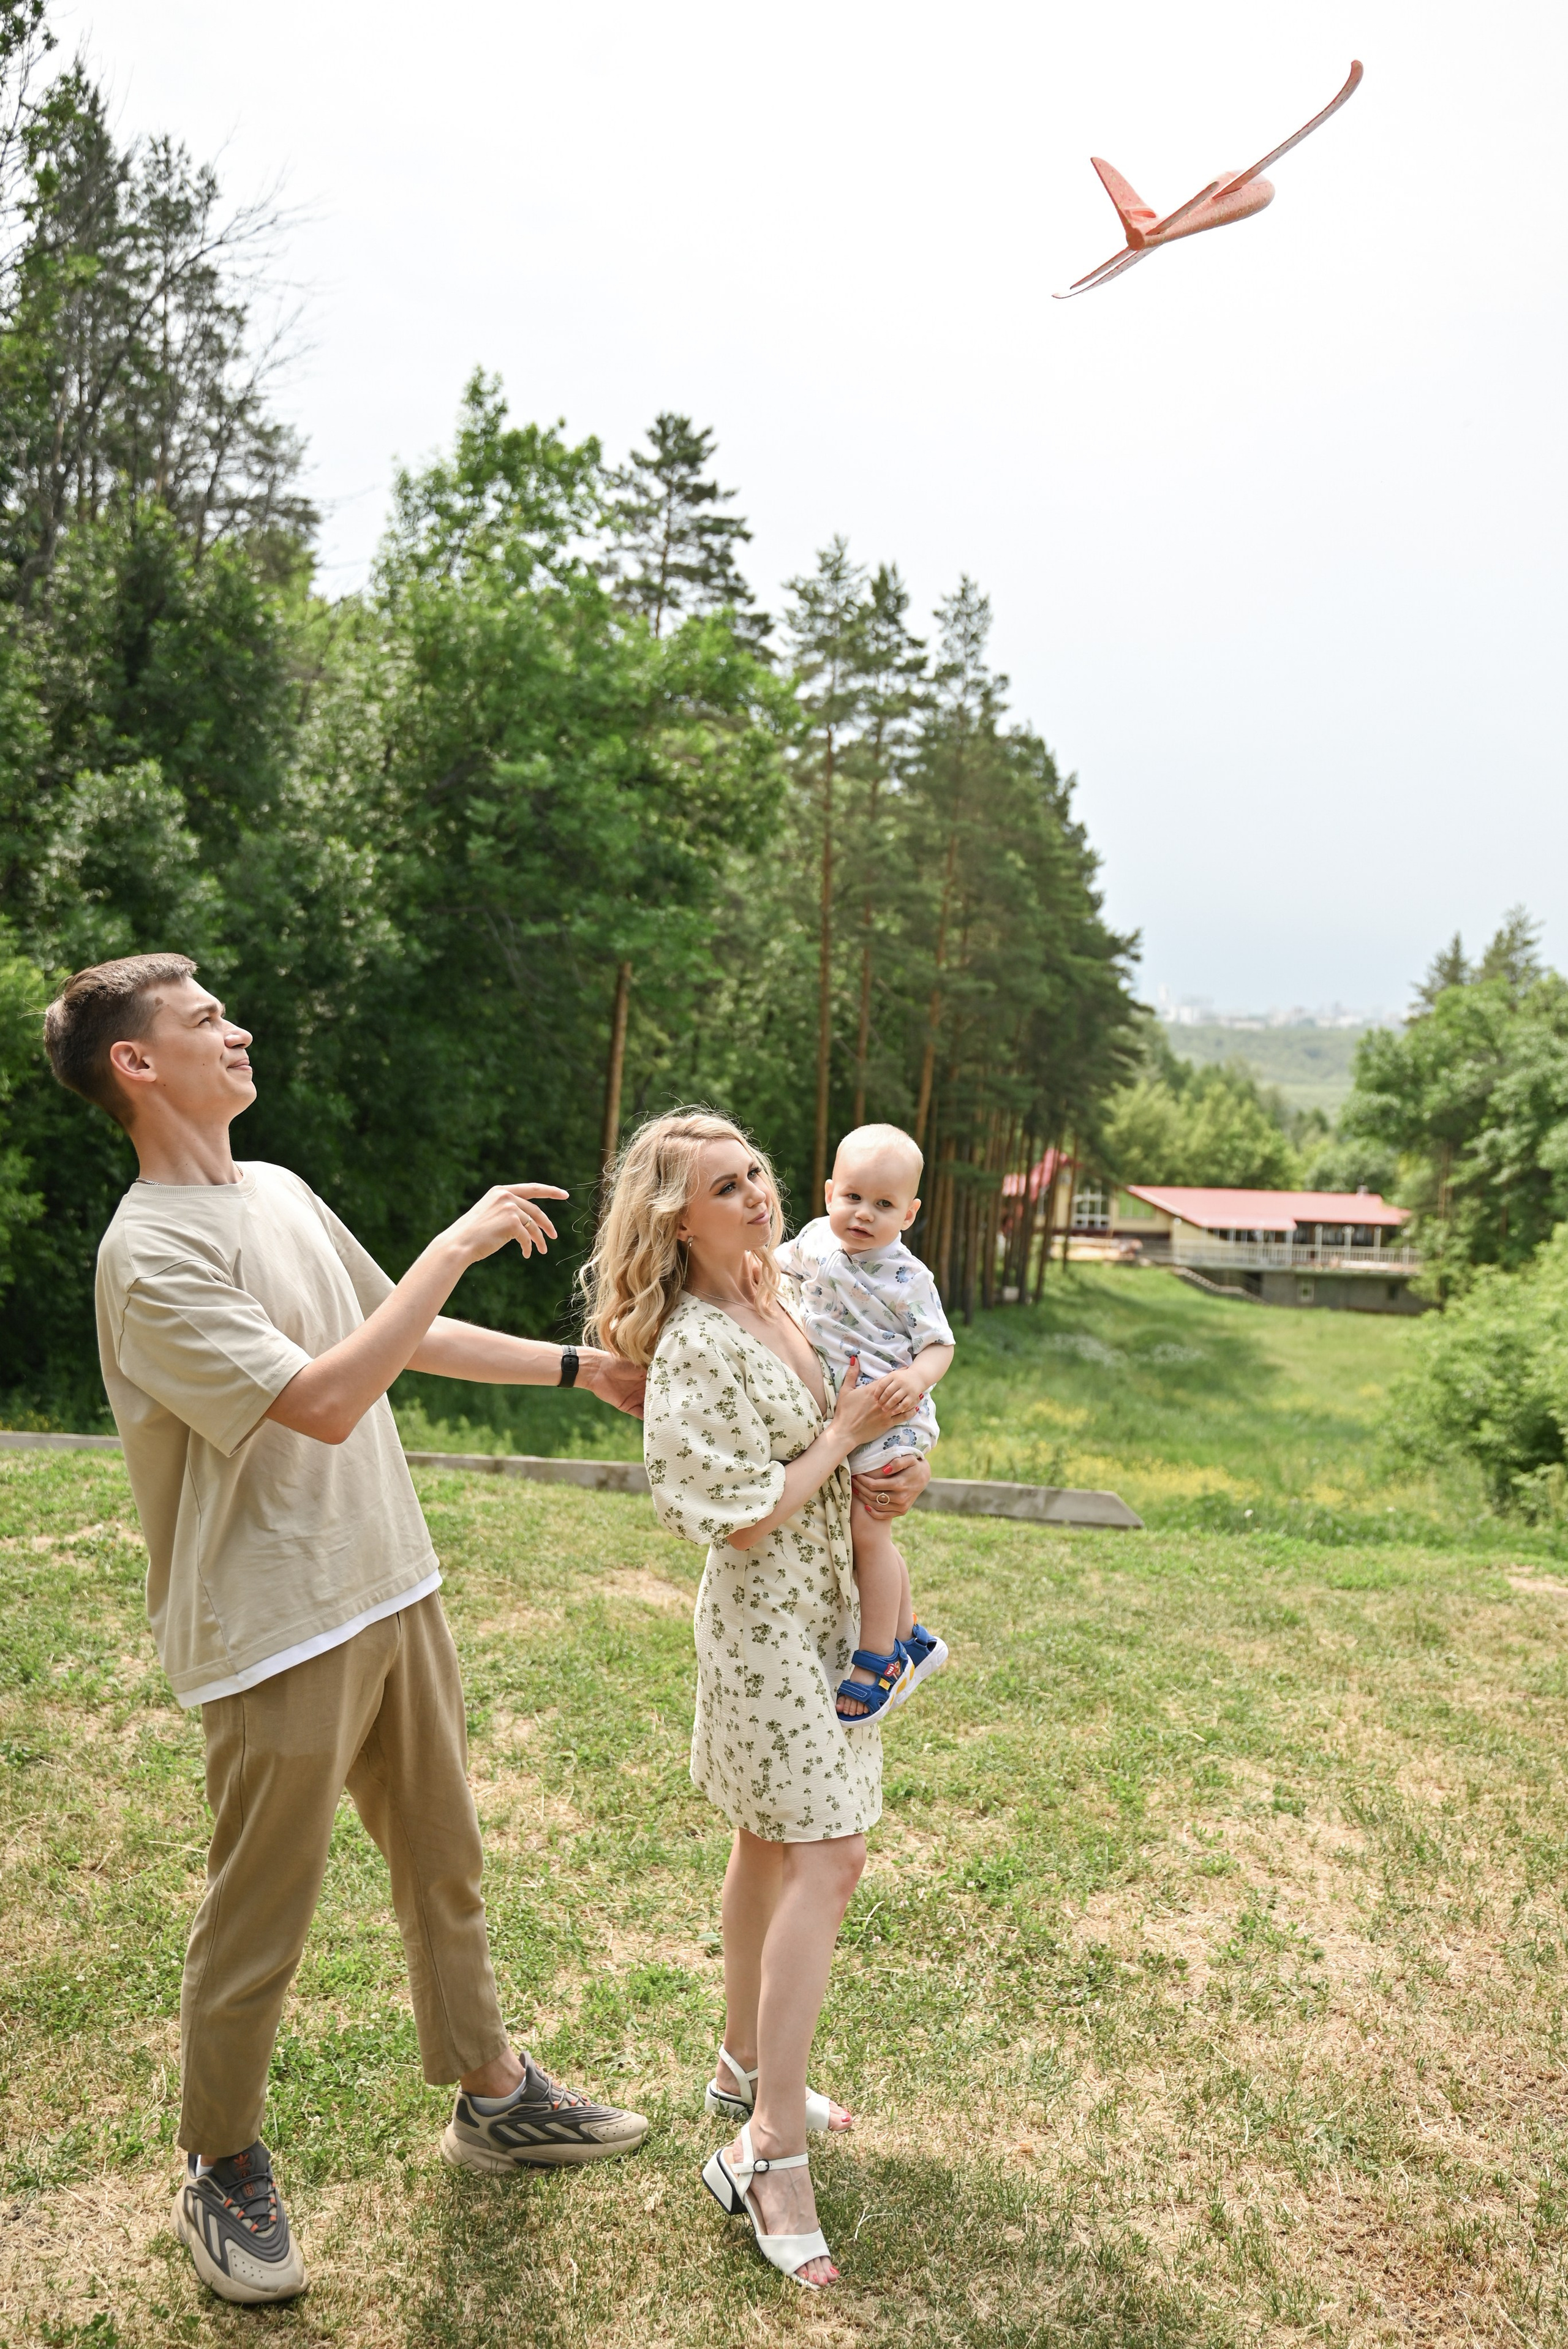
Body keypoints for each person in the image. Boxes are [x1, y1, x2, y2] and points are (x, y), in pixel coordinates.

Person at [42, 953, 652, 2309]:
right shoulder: (150, 1254)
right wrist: (454, 1240)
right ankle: (219, 2157)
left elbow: (400, 1337)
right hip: (273, 1628)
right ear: (136, 1064)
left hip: (387, 1577)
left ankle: (493, 2094)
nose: (237, 1027)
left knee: (447, 1863)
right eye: (205, 1020)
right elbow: (322, 1398)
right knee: (261, 1914)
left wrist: (575, 1368)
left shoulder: (275, 1190)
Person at [581, 1108, 930, 2290]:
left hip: (827, 1600)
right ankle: (769, 2147)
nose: (763, 1196)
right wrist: (839, 1434)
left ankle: (742, 2064)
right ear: (677, 1219)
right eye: (730, 1187)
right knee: (829, 1857)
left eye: (761, 1173)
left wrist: (893, 1465)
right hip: (763, 1629)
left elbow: (885, 1385)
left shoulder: (791, 1286)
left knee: (770, 1847)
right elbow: (735, 1510)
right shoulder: (694, 1343)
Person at [775, 1122, 954, 1723]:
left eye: (883, 1205)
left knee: (867, 1531)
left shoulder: (908, 1278)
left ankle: (879, 1655)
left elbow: (939, 1346)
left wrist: (918, 1377)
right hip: (849, 1409)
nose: (862, 1214)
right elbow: (769, 1269)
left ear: (909, 1212)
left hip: (890, 1414)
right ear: (829, 1192)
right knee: (869, 1530)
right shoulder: (813, 1242)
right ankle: (913, 1639)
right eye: (852, 1197)